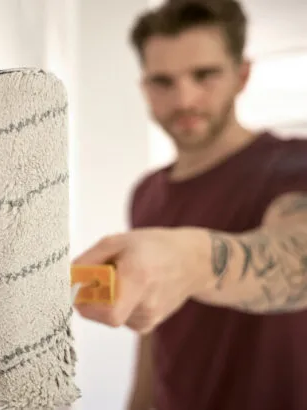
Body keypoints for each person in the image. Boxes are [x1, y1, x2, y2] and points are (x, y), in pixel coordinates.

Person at [72, 0, 307, 409]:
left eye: (204, 75)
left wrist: (190, 261)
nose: (184, 99)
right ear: (144, 87)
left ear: (241, 75)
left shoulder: (294, 163)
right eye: (162, 81)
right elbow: (151, 337)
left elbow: (297, 259)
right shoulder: (145, 193)